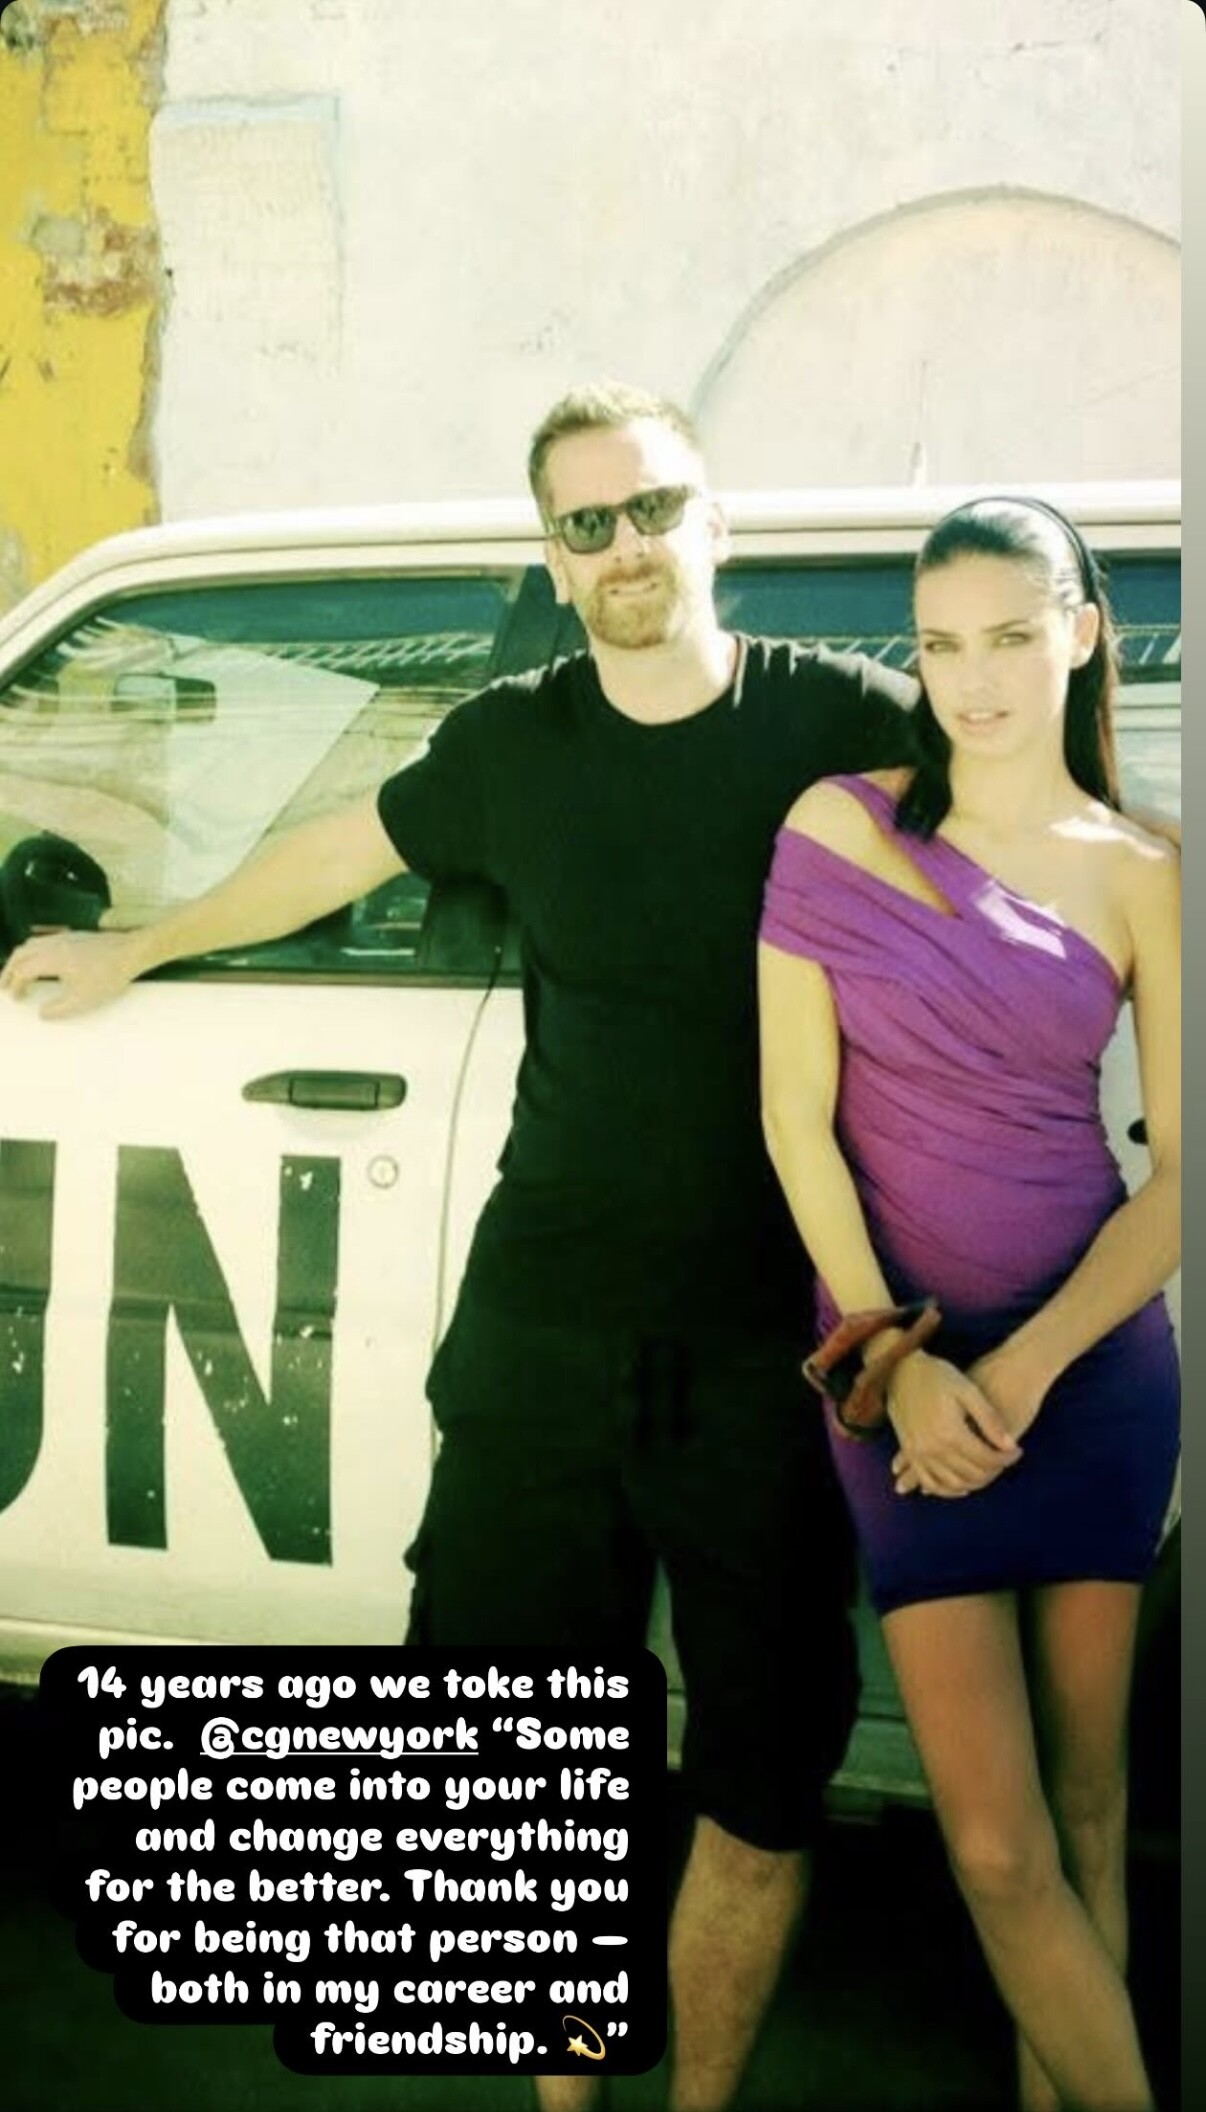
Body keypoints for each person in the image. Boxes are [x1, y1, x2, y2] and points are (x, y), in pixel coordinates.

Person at [0, 382, 922, 2112]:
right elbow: (326, 856)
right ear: (553, 560)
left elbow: (1031, 822)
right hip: (538, 1338)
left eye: (653, 508)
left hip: (765, 1344)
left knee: (762, 1777)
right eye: (587, 524)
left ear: (713, 518)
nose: (625, 547)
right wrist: (136, 946)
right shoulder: (512, 741)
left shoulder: (843, 717)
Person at [758, 494, 1180, 2112]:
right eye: (941, 647)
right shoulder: (835, 826)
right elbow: (794, 1120)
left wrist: (1029, 1369)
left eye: (1010, 637)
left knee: (1088, 1815)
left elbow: (1178, 1177)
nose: (974, 680)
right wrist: (896, 1360)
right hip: (897, 1382)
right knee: (996, 1847)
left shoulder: (1146, 869)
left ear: (1080, 632)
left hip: (1091, 1378)